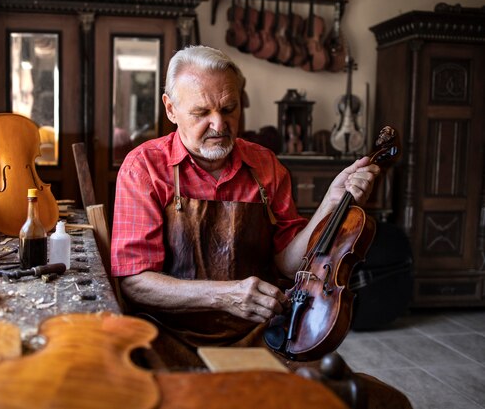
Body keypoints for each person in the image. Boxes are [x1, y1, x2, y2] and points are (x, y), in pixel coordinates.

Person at [111, 45, 410, 407]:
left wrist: (329, 205)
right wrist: (225, 295)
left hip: (259, 337)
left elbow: (289, 263)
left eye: (229, 108)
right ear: (171, 109)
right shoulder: (144, 167)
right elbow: (134, 282)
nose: (219, 125)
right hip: (172, 339)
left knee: (366, 400)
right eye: (202, 112)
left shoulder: (265, 165)